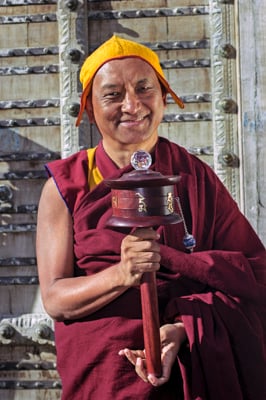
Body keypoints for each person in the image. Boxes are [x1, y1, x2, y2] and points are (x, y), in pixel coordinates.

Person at [36, 35, 266, 400]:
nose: (132, 105)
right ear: (90, 109)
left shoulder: (193, 175)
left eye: (145, 89)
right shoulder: (70, 184)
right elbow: (55, 298)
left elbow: (252, 273)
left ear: (163, 97)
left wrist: (182, 329)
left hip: (191, 369)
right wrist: (122, 273)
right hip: (105, 378)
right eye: (112, 94)